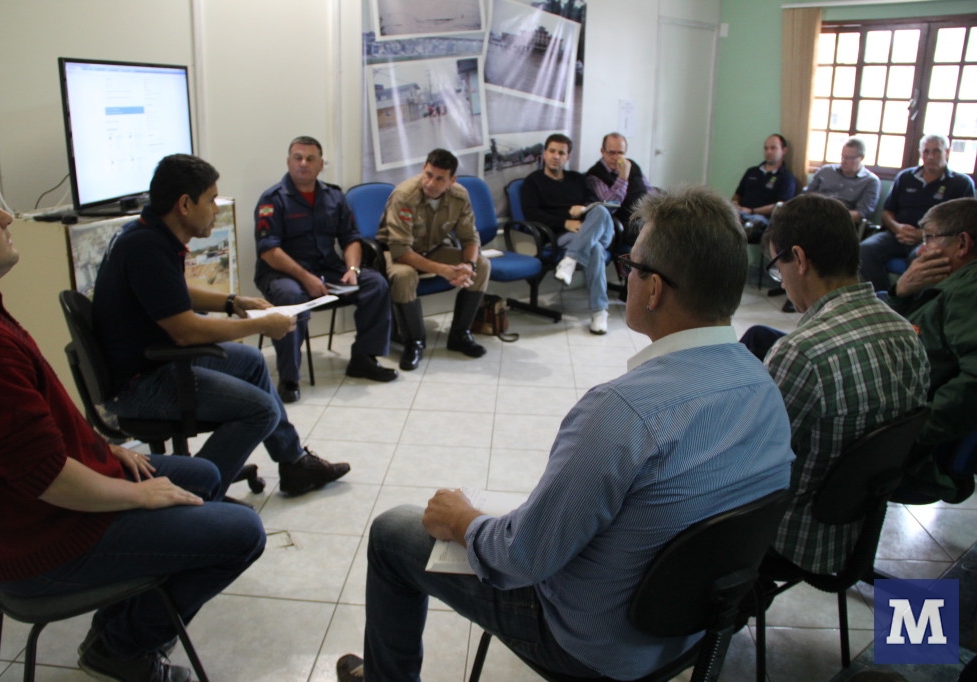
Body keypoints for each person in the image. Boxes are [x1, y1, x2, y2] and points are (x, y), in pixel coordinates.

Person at [334, 186, 794, 682]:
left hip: (594, 646)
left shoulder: (622, 412)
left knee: (393, 532)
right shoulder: (763, 383)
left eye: (630, 265)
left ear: (654, 288)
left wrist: (465, 521)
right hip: (698, 629)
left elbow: (522, 558)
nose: (627, 275)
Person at [0, 161, 266, 682]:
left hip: (42, 509)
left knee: (206, 477)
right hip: (45, 540)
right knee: (243, 531)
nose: (9, 217)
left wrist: (100, 450)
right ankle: (119, 646)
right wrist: (138, 496)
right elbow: (47, 477)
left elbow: (31, 430)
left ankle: (129, 611)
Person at [92, 154, 349, 497]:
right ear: (185, 204)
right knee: (260, 411)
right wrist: (262, 326)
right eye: (211, 199)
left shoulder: (146, 233)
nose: (216, 208)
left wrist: (233, 303)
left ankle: (293, 464)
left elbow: (171, 294)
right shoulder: (147, 248)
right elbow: (187, 331)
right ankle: (193, 492)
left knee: (253, 362)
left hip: (153, 359)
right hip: (141, 381)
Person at [740, 194, 929, 576]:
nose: (783, 279)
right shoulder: (905, 331)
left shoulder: (800, 353)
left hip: (797, 538)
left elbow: (749, 467)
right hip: (861, 528)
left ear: (801, 259)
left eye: (779, 267)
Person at [254, 136, 397, 403]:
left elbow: (350, 237)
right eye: (297, 158)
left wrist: (353, 268)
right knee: (290, 298)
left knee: (375, 284)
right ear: (288, 162)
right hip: (284, 276)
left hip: (327, 271)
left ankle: (364, 359)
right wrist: (305, 278)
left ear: (321, 165)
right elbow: (269, 251)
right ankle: (289, 378)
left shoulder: (334, 196)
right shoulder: (272, 200)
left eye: (310, 159)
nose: (303, 164)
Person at [885, 197, 977, 503]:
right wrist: (900, 292)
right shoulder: (950, 281)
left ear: (962, 244)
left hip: (908, 438)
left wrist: (913, 432)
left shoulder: (969, 291)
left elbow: (974, 380)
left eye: (930, 239)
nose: (921, 250)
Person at [376, 148, 490, 370]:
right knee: (404, 275)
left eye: (439, 178)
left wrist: (468, 265)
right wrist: (444, 270)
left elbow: (470, 238)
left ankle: (460, 335)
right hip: (396, 252)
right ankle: (414, 342)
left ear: (451, 180)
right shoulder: (405, 195)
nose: (431, 183)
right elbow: (401, 251)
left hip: (434, 247)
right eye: (428, 174)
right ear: (423, 169)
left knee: (483, 265)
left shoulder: (459, 195)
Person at [522, 133, 616, 334]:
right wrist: (565, 221)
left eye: (561, 153)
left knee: (599, 210)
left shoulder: (577, 179)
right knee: (596, 249)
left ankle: (570, 259)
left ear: (568, 157)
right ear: (544, 154)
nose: (556, 156)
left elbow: (593, 202)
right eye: (552, 151)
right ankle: (600, 311)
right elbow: (532, 214)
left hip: (593, 231)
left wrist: (582, 210)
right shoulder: (533, 182)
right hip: (562, 236)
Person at [859, 134, 975, 293]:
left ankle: (912, 304)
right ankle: (885, 296)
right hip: (897, 234)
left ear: (947, 152)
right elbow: (888, 212)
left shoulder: (961, 183)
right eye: (926, 152)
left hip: (934, 239)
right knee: (865, 249)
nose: (930, 156)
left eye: (936, 151)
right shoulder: (905, 177)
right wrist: (897, 228)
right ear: (921, 154)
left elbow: (963, 224)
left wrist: (923, 234)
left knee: (921, 258)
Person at [731, 133, 797, 239]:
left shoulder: (786, 178)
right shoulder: (752, 172)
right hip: (740, 213)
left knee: (755, 222)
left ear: (784, 150)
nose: (768, 151)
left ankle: (743, 229)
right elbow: (738, 195)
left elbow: (780, 206)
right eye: (766, 148)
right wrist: (735, 204)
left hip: (763, 219)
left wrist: (752, 210)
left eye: (773, 148)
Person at [803, 136, 881, 223]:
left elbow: (861, 214)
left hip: (841, 222)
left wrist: (829, 216)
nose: (843, 161)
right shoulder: (826, 170)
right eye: (842, 156)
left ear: (861, 158)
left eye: (849, 158)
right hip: (812, 215)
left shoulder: (870, 181)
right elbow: (805, 195)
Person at [585, 132, 650, 225]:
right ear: (602, 151)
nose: (616, 158)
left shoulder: (632, 165)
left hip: (645, 213)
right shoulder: (594, 174)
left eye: (620, 153)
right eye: (611, 153)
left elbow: (648, 189)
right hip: (626, 219)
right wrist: (623, 177)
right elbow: (610, 204)